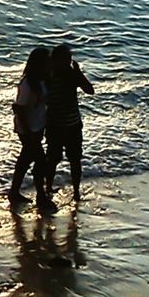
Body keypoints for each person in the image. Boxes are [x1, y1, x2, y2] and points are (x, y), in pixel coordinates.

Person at [44, 44, 95, 201]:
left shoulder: (70, 75)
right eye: (65, 60)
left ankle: (75, 191)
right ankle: (49, 188)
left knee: (72, 160)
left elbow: (89, 90)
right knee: (55, 159)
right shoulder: (50, 76)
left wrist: (79, 74)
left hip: (69, 124)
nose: (67, 63)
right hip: (58, 125)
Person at [10, 46, 54, 214]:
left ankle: (14, 192)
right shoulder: (28, 83)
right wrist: (27, 131)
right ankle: (40, 195)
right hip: (27, 128)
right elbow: (19, 108)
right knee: (40, 160)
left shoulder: (44, 79)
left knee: (26, 159)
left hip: (38, 125)